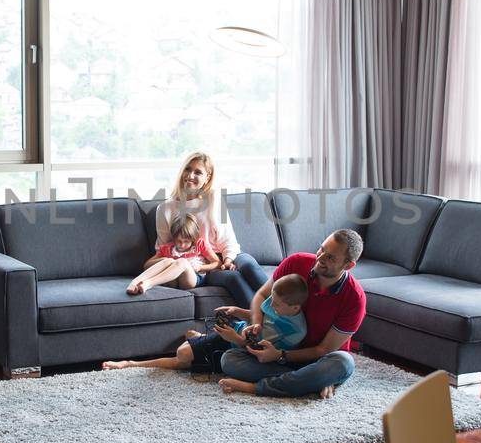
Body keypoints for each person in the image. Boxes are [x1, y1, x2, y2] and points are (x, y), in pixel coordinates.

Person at [217, 229, 366, 399]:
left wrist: (281, 356)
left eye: (330, 257)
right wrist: (257, 323)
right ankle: (310, 380)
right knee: (230, 360)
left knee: (344, 363)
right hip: (278, 349)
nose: (320, 257)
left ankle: (256, 388)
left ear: (348, 265)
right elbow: (262, 295)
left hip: (316, 358)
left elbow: (323, 349)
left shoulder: (355, 299)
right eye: (322, 249)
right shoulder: (296, 263)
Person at [101, 274, 309, 372]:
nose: (270, 305)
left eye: (277, 304)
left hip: (241, 349)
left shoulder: (295, 332)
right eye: (270, 299)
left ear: (295, 308)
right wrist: (238, 311)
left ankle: (129, 364)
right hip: (234, 335)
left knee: (182, 357)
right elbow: (261, 318)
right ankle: (200, 339)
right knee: (185, 356)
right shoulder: (276, 302)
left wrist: (235, 339)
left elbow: (263, 355)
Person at [155, 152, 266, 308]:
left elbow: (228, 238)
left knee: (249, 266)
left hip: (228, 255)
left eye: (198, 172)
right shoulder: (166, 208)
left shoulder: (213, 198)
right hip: (204, 265)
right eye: (187, 169)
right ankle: (260, 322)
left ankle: (290, 311)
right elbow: (165, 249)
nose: (190, 175)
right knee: (233, 279)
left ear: (207, 177)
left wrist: (228, 260)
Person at [127, 211, 219, 294]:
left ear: (193, 238)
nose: (182, 245)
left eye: (186, 241)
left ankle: (149, 283)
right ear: (174, 238)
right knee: (168, 261)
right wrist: (165, 260)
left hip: (192, 278)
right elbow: (146, 265)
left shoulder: (199, 244)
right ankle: (135, 282)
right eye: (179, 241)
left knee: (182, 262)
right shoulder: (168, 248)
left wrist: (200, 267)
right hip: (171, 280)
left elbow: (217, 263)